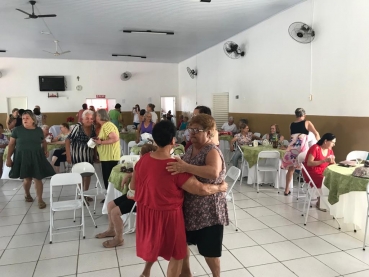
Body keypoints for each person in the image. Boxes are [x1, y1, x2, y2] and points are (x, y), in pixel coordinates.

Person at [130, 120, 227, 277]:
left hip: (147, 214)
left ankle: (146, 272)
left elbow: (134, 186)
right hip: (169, 217)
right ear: (173, 141)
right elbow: (201, 189)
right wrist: (220, 188)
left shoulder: (143, 160)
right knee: (177, 254)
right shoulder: (175, 167)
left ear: (154, 139)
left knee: (155, 245)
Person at [166, 114, 228, 277]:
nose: (191, 133)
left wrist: (186, 167)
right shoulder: (191, 148)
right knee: (183, 243)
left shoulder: (211, 150)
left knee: (210, 252)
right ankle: (186, 273)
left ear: (208, 132)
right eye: (190, 129)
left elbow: (213, 172)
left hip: (208, 210)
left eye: (196, 130)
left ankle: (216, 275)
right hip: (190, 208)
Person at [94, 144, 157, 243]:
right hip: (136, 195)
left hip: (141, 199)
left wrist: (133, 175)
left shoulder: (142, 166)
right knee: (110, 205)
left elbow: (132, 187)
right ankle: (111, 230)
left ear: (142, 155)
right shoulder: (149, 165)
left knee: (115, 212)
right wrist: (130, 175)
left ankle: (119, 239)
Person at [6, 110, 55, 209]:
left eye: (27, 118)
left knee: (38, 178)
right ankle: (27, 194)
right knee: (27, 179)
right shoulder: (17, 130)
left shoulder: (38, 130)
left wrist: (45, 150)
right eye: (23, 118)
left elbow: (43, 141)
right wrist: (8, 158)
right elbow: (11, 144)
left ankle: (40, 199)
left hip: (37, 156)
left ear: (33, 120)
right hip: (22, 157)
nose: (25, 120)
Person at [282, 108, 320, 196]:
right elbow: (316, 133)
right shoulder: (307, 122)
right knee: (307, 167)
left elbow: (291, 137)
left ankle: (286, 189)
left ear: (295, 115)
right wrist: (318, 146)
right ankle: (310, 189)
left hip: (292, 148)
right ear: (304, 115)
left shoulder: (291, 124)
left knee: (291, 169)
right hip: (302, 149)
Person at [65, 110, 96, 195]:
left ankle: (86, 194)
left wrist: (95, 155)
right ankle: (81, 194)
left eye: (91, 118)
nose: (89, 120)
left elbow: (94, 141)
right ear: (82, 119)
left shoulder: (93, 127)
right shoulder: (78, 127)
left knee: (88, 174)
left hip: (88, 155)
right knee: (79, 175)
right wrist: (68, 155)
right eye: (87, 118)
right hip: (77, 156)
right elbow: (68, 140)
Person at [303, 133, 336, 211]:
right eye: (333, 142)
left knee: (334, 179)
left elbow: (332, 163)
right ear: (325, 141)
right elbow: (309, 163)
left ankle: (331, 202)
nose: (334, 144)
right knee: (323, 180)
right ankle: (320, 201)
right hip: (311, 170)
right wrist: (324, 160)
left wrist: (335, 163)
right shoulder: (315, 148)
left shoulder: (330, 150)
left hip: (323, 170)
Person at [93, 109, 120, 190]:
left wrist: (100, 142)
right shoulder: (105, 125)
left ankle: (109, 198)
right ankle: (109, 197)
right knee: (107, 179)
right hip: (107, 156)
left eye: (97, 115)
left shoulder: (107, 125)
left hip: (109, 157)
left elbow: (115, 138)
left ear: (100, 116)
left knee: (108, 180)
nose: (96, 117)